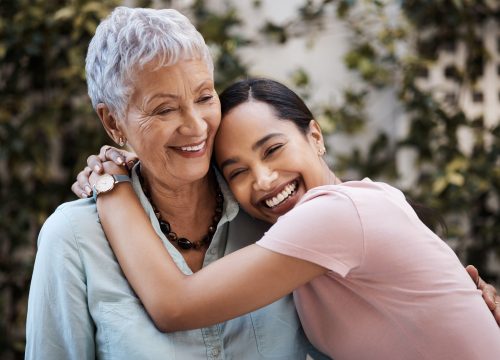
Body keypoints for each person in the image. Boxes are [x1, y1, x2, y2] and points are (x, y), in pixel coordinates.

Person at [82, 78, 500, 359]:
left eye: (272, 150)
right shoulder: (309, 237)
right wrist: (151, 163)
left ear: (314, 136)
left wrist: (113, 184)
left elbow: (174, 306)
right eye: (237, 172)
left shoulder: (336, 215)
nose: (264, 180)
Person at [25, 8, 319, 359]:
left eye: (205, 97)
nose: (196, 127)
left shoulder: (269, 209)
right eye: (164, 110)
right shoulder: (73, 238)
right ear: (113, 122)